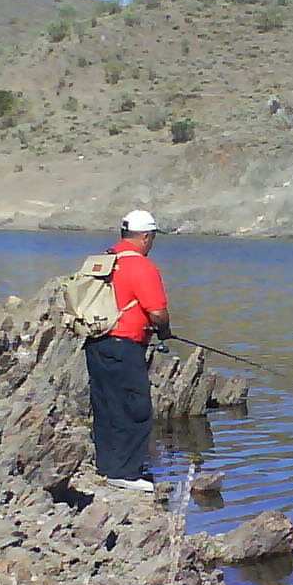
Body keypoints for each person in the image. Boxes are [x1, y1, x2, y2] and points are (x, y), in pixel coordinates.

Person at [84, 209, 171, 492]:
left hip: (96, 342)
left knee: (106, 405)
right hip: (125, 345)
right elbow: (157, 312)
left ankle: (107, 466)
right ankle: (127, 473)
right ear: (146, 236)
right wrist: (165, 331)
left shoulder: (105, 260)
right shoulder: (142, 267)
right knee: (136, 409)